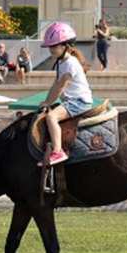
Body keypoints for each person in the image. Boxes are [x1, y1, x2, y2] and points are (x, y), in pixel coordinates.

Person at [38, 22, 93, 165]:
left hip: (79, 102)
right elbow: (55, 84)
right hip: (71, 100)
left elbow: (61, 86)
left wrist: (48, 103)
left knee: (51, 117)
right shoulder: (61, 62)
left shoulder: (70, 63)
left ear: (66, 46)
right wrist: (46, 102)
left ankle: (57, 151)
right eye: (50, 46)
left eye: (54, 46)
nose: (51, 49)